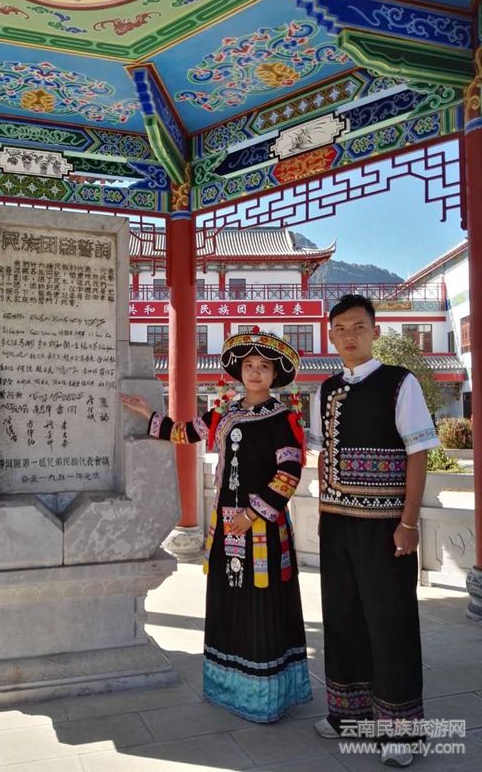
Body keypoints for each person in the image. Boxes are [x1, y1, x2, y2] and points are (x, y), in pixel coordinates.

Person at [122, 328, 312, 723]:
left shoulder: (284, 419)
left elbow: (289, 475)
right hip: (225, 528)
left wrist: (253, 513)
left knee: (261, 604)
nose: (255, 372)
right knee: (228, 600)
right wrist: (148, 415)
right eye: (249, 365)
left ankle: (265, 696)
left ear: (274, 375)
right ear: (239, 371)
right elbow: (185, 432)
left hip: (263, 529)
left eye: (263, 367)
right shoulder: (224, 413)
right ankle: (228, 687)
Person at [309, 294, 440, 767]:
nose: (349, 336)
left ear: (375, 332)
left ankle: (400, 731)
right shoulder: (325, 389)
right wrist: (323, 512)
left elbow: (418, 453)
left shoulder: (399, 382)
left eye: (358, 327)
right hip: (337, 524)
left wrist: (408, 522)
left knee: (391, 623)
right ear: (331, 335)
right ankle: (347, 713)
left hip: (386, 528)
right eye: (340, 329)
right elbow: (323, 456)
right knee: (341, 618)